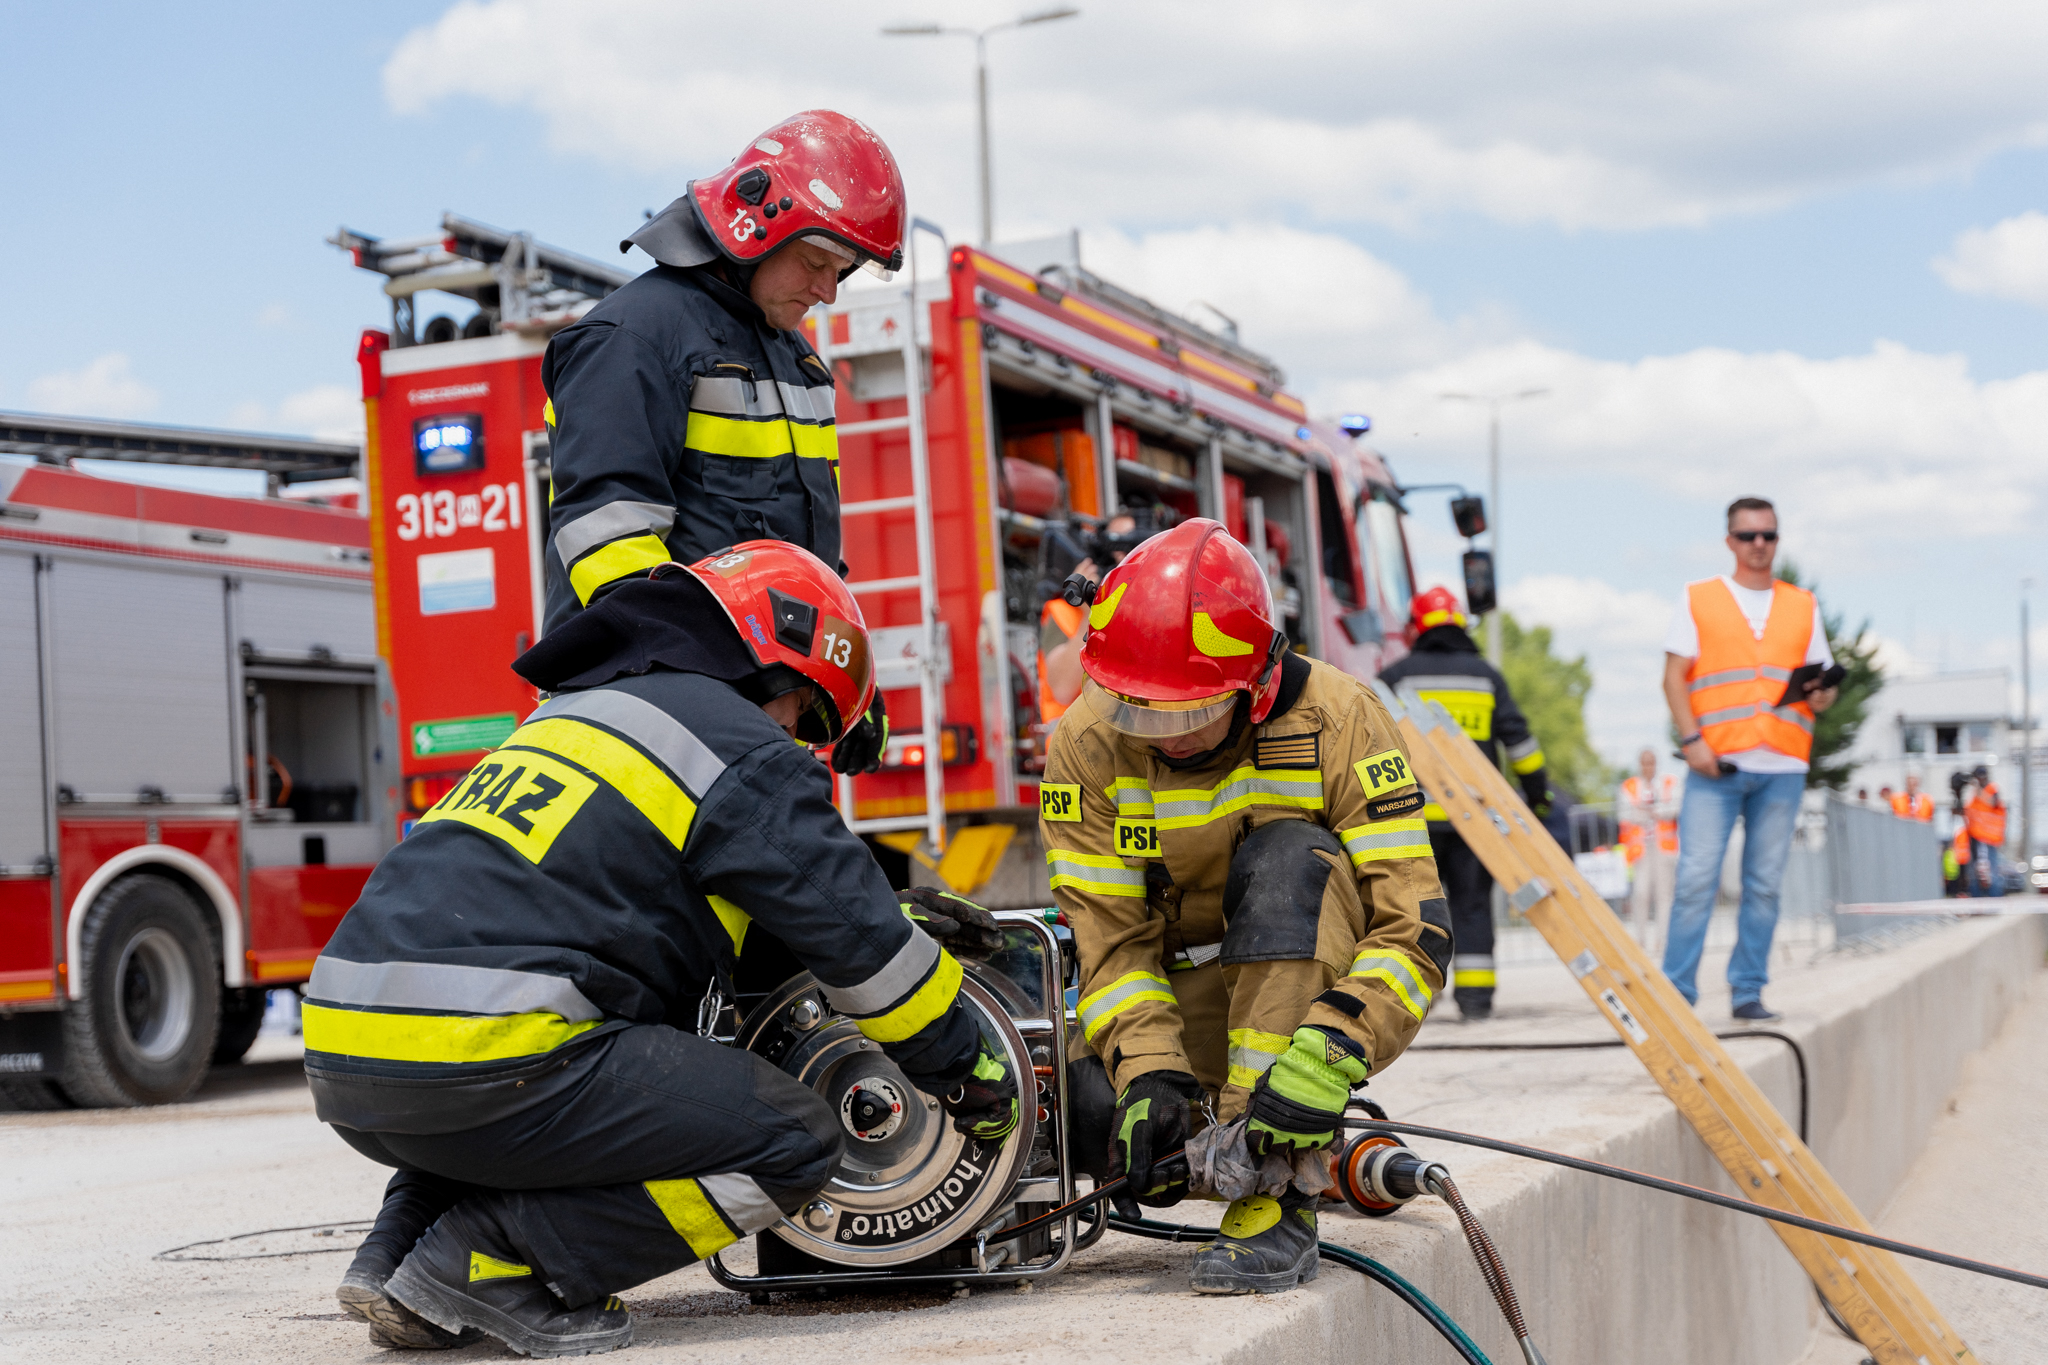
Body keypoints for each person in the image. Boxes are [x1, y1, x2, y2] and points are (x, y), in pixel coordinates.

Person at [313, 543, 1017, 1355]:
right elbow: (858, 945)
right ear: (784, 671)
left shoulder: (571, 714)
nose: (799, 738)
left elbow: (688, 900)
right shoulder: (742, 747)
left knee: (508, 1110)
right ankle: (491, 1261)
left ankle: (395, 1255)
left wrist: (886, 913)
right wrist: (964, 1066)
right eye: (806, 715)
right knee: (792, 1139)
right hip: (494, 1055)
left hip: (354, 1060)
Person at [1039, 519, 1450, 1295]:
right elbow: (1111, 942)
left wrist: (1332, 1051)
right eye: (1136, 709)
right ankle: (1294, 1150)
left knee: (1288, 863)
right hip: (1186, 996)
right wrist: (1151, 1073)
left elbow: (1414, 927)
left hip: (1302, 989)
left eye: (1183, 712)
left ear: (1256, 684)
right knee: (1086, 1118)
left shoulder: (1340, 717)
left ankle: (1276, 1191)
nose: (1160, 734)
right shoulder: (1088, 740)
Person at [540, 110, 905, 776]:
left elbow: (804, 555)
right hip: (643, 719)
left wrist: (847, 672)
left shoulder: (797, 361)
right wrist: (737, 681)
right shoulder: (633, 338)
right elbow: (608, 547)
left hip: (749, 718)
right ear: (754, 227)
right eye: (816, 262)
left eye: (843, 270)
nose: (827, 291)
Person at [1661, 497, 1837, 1022]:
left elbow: (1822, 689)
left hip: (1782, 766)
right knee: (1696, 881)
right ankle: (1676, 997)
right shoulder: (1699, 598)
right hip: (1715, 765)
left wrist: (1823, 695)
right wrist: (1692, 742)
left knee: (1763, 886)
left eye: (1768, 535)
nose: (1759, 544)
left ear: (1777, 539)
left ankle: (1748, 992)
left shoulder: (1803, 605)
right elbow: (1673, 678)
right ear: (1730, 541)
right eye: (1747, 535)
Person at [1377, 586, 1547, 1021]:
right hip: (1475, 822)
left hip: (1413, 820)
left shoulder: (1395, 677)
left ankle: (1415, 1000)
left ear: (1416, 627)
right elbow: (1521, 744)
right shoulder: (1485, 677)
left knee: (1417, 911)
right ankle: (1475, 1001)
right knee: (1472, 906)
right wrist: (1537, 794)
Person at [1039, 512, 1140, 722]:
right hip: (1080, 740)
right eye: (1116, 545)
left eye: (1132, 545)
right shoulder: (1064, 612)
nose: (1123, 557)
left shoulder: (1154, 609)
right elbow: (1063, 689)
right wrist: (1092, 611)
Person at [1618, 748, 1681, 953]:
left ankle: (1662, 940)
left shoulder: (1669, 782)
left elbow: (1674, 808)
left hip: (1663, 848)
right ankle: (1640, 939)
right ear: (1640, 764)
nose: (1648, 767)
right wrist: (1654, 811)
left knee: (1664, 895)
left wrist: (1651, 811)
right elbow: (1626, 814)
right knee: (1641, 893)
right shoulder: (1630, 786)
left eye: (1651, 762)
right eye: (1645, 763)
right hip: (1641, 849)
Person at [1963, 765, 2008, 897]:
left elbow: (1993, 803)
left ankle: (1994, 896)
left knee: (1991, 869)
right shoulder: (1975, 793)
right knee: (1976, 869)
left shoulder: (1991, 789)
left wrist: (1978, 789)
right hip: (1976, 835)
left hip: (1989, 836)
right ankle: (1977, 896)